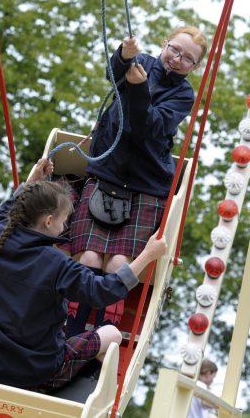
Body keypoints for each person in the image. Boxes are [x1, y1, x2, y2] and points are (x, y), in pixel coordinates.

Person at [0, 158, 167, 393]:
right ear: (48, 220)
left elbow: (7, 211)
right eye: (63, 221)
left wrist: (32, 181)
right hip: (33, 373)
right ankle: (82, 391)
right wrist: (147, 256)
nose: (64, 228)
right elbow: (103, 291)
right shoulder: (57, 263)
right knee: (112, 335)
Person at [65, 25, 208, 337]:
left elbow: (148, 126)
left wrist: (140, 88)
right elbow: (113, 74)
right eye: (174, 49)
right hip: (106, 173)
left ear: (194, 68)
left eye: (187, 59)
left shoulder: (183, 94)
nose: (176, 59)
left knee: (117, 262)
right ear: (164, 43)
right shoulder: (140, 60)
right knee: (87, 257)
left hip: (145, 185)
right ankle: (70, 330)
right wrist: (123, 55)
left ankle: (104, 337)